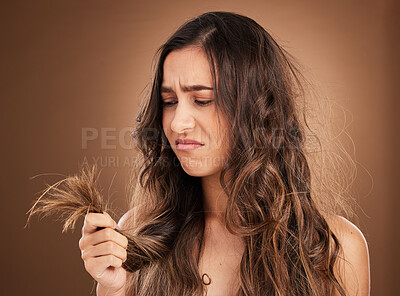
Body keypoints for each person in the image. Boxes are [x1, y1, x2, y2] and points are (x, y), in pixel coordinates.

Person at [78, 11, 370, 296]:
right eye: (169, 101)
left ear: (255, 110)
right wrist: (115, 288)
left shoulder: (335, 249)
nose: (178, 122)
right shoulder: (138, 233)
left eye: (202, 100)